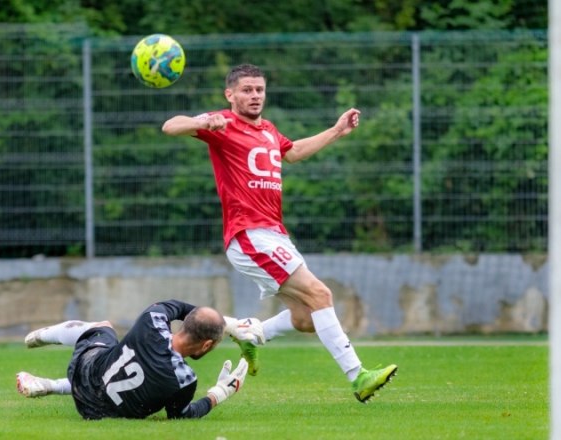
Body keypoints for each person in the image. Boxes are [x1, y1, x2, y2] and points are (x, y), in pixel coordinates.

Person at [161, 64, 397, 403]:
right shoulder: (222, 123)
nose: (255, 95)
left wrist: (335, 130)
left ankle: (251, 334)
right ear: (230, 95)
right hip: (249, 234)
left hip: (274, 234)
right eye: (246, 90)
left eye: (259, 89)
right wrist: (202, 122)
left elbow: (293, 152)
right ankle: (358, 376)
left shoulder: (268, 129)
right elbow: (171, 126)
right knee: (320, 295)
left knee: (304, 318)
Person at [15, 300, 249, 420]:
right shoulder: (184, 380)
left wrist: (226, 323)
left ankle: (41, 337)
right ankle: (50, 384)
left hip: (83, 371)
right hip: (97, 413)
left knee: (104, 329)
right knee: (112, 367)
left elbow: (175, 306)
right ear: (207, 344)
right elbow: (182, 416)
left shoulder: (152, 320)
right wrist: (220, 393)